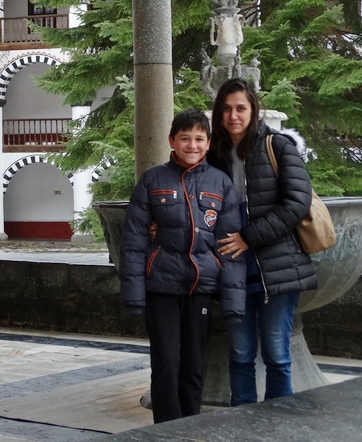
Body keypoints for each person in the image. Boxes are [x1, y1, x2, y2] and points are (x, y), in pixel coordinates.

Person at [119, 108, 246, 423]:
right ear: (171, 141)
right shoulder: (153, 179)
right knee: (166, 363)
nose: (192, 145)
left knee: (193, 365)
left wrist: (232, 301)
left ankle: (190, 426)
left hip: (200, 288)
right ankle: (167, 431)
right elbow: (134, 240)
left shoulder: (220, 183)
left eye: (199, 139)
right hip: (162, 287)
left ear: (208, 142)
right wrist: (134, 295)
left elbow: (229, 244)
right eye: (185, 138)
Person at [207, 77, 317, 406]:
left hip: (277, 265)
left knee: (276, 353)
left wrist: (248, 237)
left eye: (241, 108)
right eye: (226, 109)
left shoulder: (278, 146)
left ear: (254, 110)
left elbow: (297, 203)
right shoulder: (214, 155)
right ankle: (243, 424)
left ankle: (277, 425)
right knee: (239, 354)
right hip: (235, 270)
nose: (233, 115)